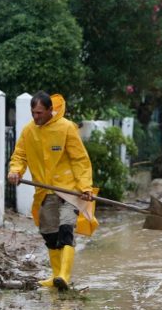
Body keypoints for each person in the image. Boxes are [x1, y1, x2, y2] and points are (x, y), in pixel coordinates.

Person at [7, 91, 98, 291]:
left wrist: (84, 187)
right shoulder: (28, 131)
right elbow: (19, 156)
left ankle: (64, 276)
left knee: (66, 229)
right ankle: (56, 275)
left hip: (70, 191)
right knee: (49, 234)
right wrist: (15, 171)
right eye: (33, 113)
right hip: (44, 191)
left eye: (40, 113)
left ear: (50, 110)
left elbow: (79, 160)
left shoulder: (66, 128)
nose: (36, 117)